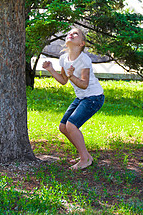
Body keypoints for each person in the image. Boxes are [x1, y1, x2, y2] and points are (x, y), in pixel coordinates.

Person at [42, 28, 104, 170]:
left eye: (76, 34)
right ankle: (86, 156)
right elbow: (64, 80)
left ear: (81, 43)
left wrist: (71, 76)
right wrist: (51, 70)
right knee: (63, 127)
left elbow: (84, 84)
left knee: (71, 125)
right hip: (82, 97)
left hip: (94, 97)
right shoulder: (63, 59)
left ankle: (84, 159)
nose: (71, 34)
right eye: (70, 33)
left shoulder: (84, 60)